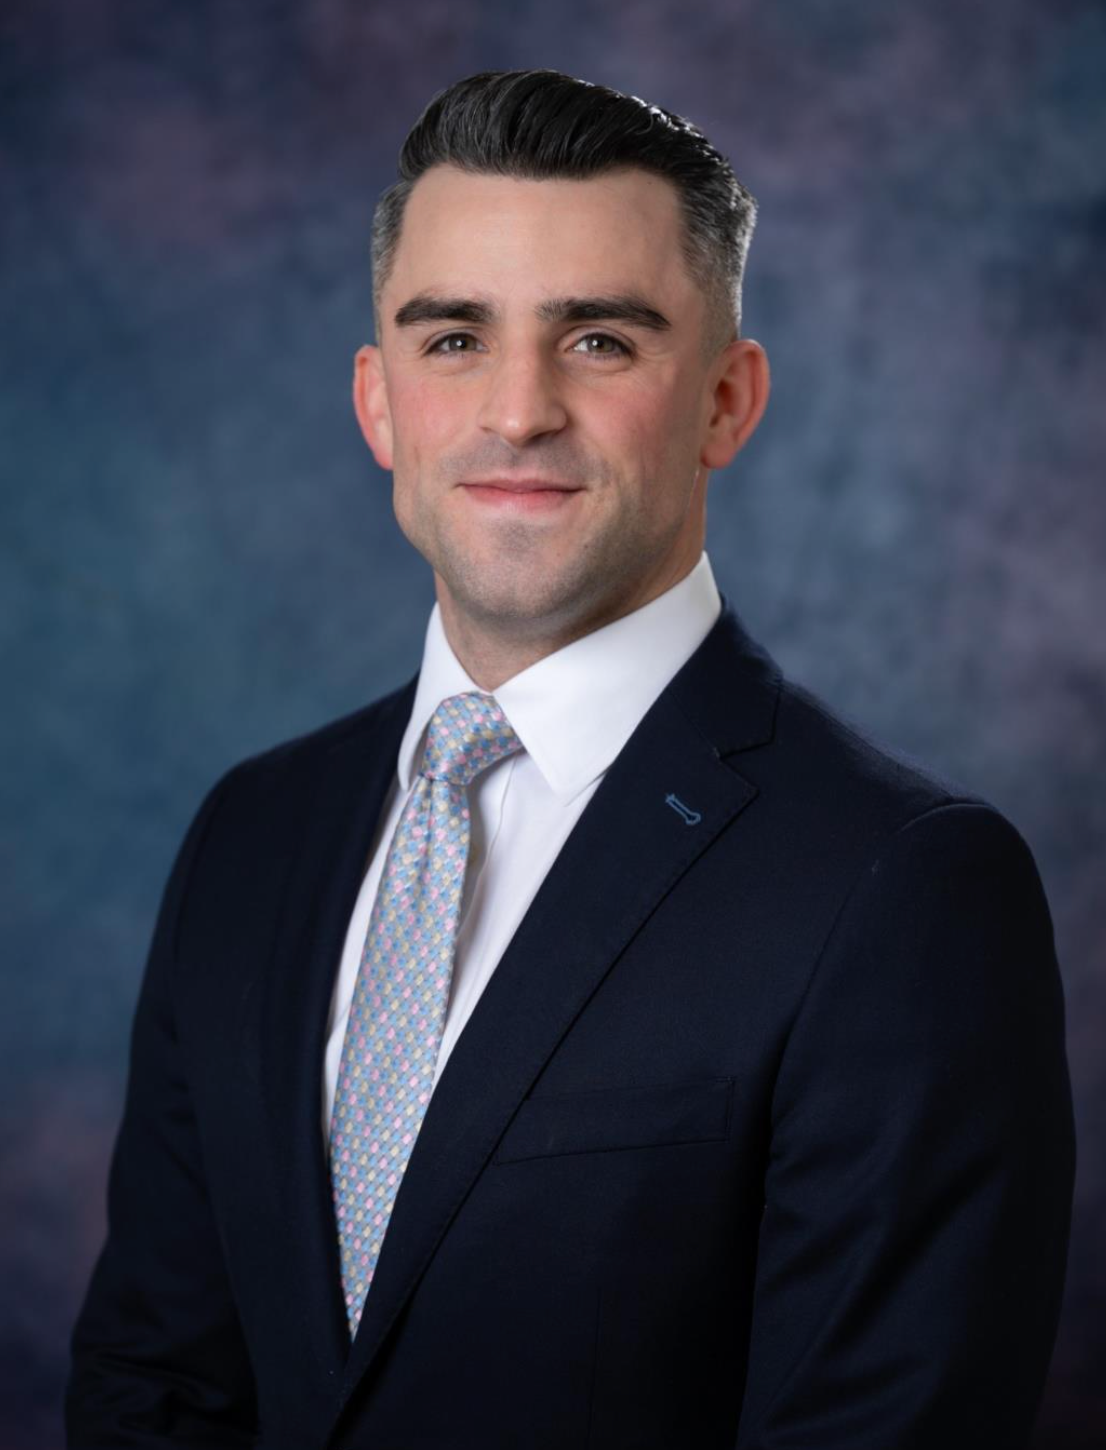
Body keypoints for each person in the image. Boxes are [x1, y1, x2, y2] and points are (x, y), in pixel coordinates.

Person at [66, 69, 1075, 1449]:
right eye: (453, 339)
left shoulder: (902, 887)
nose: (519, 409)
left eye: (599, 340)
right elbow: (157, 1382)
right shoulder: (256, 833)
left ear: (725, 399)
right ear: (378, 404)